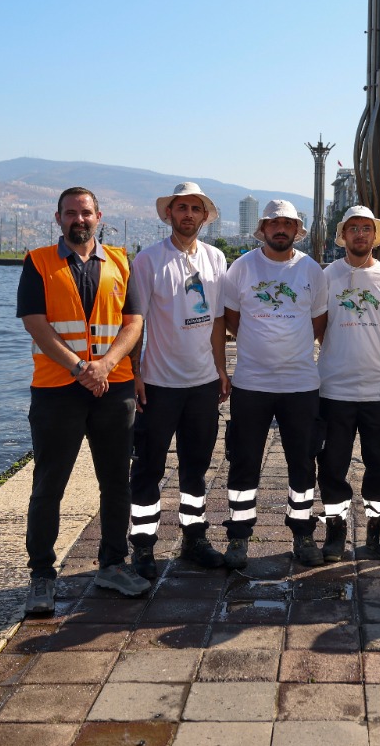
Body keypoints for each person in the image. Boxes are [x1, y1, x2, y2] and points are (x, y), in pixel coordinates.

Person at [17, 187, 148, 615]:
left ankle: (112, 564)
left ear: (99, 217)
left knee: (116, 482)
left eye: (86, 212)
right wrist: (80, 368)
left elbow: (134, 322)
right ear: (58, 218)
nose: (79, 219)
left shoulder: (121, 262)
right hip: (58, 390)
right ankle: (41, 575)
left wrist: (107, 365)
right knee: (48, 485)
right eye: (71, 213)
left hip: (114, 388)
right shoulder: (38, 262)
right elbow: (35, 323)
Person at [126, 183, 230, 579]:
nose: (188, 214)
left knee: (196, 467)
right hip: (159, 383)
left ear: (204, 217)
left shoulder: (216, 258)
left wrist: (221, 369)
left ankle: (194, 537)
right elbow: (136, 322)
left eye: (195, 209)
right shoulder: (149, 260)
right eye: (181, 208)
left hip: (203, 383)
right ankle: (144, 545)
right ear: (169, 214)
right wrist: (135, 373)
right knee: (148, 468)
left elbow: (218, 320)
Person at [221, 200, 328, 569]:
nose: (280, 229)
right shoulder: (242, 267)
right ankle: (238, 536)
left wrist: (289, 349)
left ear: (297, 230)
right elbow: (232, 319)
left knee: (303, 462)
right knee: (244, 461)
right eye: (273, 223)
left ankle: (302, 532)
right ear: (263, 229)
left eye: (288, 223)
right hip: (251, 383)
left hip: (300, 383)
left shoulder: (312, 270)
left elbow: (318, 322)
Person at [315, 205, 380, 562]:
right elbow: (319, 328)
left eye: (366, 228)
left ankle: (377, 527)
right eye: (353, 228)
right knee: (333, 463)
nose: (360, 234)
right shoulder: (327, 276)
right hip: (334, 388)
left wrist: (374, 358)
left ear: (375, 236)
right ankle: (335, 529)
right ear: (344, 235)